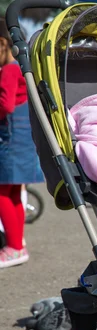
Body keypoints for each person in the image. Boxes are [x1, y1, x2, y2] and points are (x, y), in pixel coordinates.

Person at [0, 18, 44, 268]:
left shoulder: (7, 70)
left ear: (3, 44)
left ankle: (14, 247)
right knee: (15, 192)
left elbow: (5, 104)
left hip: (10, 141)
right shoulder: (20, 68)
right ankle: (17, 243)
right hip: (24, 141)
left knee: (2, 193)